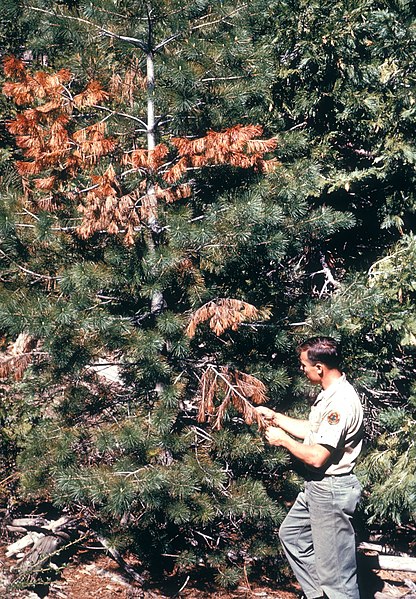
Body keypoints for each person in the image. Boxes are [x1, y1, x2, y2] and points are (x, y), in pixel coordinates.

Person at [256, 336, 364, 599]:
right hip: (317, 488)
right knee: (292, 536)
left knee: (337, 577)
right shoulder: (330, 394)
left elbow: (317, 456)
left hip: (330, 490)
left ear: (319, 368)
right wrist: (277, 418)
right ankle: (320, 595)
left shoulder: (340, 402)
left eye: (304, 364)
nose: (301, 369)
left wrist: (283, 441)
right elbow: (314, 433)